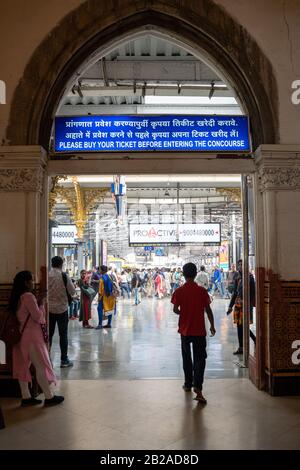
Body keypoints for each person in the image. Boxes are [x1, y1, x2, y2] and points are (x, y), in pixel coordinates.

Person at [10, 271, 64, 406]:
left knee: (23, 366)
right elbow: (38, 317)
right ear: (26, 282)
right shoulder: (28, 296)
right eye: (31, 280)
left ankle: (26, 397)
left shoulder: (17, 297)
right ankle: (49, 396)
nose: (33, 282)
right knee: (40, 366)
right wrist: (41, 304)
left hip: (21, 336)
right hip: (32, 337)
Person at [171, 262, 216, 404]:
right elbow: (208, 310)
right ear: (196, 274)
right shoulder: (202, 291)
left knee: (186, 358)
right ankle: (198, 387)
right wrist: (212, 326)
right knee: (200, 359)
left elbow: (175, 309)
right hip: (199, 331)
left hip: (185, 330)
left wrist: (184, 313)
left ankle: (187, 384)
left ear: (183, 275)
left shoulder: (179, 291)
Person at [48, 256, 75, 368]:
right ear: (61, 264)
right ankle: (64, 360)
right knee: (63, 335)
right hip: (62, 309)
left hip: (49, 310)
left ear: (52, 264)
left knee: (48, 335)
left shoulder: (47, 276)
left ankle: (47, 360)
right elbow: (72, 291)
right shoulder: (64, 276)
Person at [226, 259, 256, 355]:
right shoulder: (238, 278)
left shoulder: (250, 278)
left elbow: (253, 293)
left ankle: (254, 340)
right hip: (238, 305)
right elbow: (235, 292)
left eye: (242, 265)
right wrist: (230, 306)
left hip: (246, 305)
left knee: (244, 325)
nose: (240, 267)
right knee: (240, 326)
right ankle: (241, 347)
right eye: (239, 265)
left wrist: (249, 305)